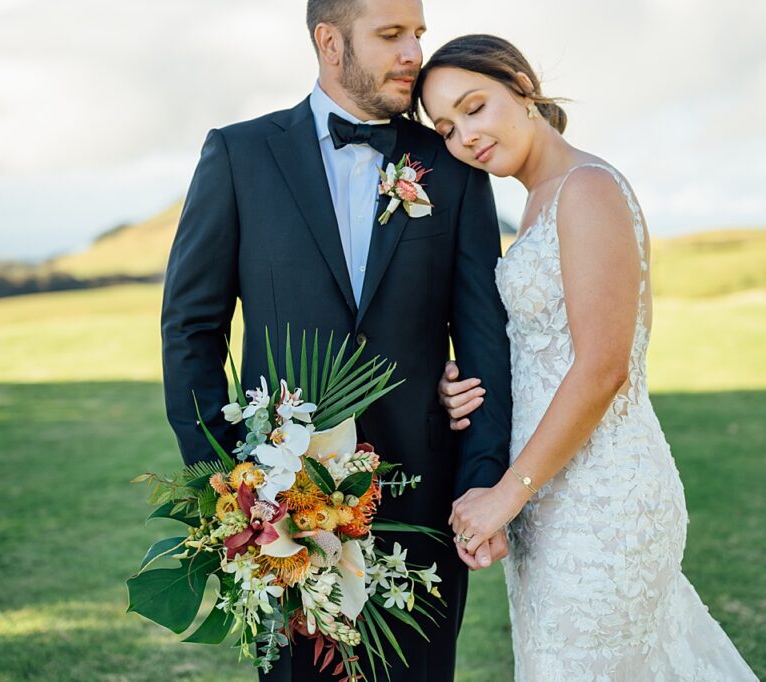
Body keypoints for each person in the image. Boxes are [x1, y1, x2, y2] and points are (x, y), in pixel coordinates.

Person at [160, 3, 512, 680]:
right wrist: (232, 483)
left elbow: (483, 337)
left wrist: (481, 482)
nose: (414, 51)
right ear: (330, 41)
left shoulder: (453, 164)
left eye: (417, 34)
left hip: (422, 508)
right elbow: (190, 327)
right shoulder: (238, 155)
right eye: (391, 36)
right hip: (282, 518)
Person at [419, 34, 759, 680]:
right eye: (445, 127)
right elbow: (539, 354)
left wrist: (506, 496)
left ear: (521, 85)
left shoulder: (588, 188)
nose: (464, 135)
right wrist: (455, 386)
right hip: (548, 504)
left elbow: (604, 366)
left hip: (603, 508)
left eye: (474, 106)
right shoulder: (537, 202)